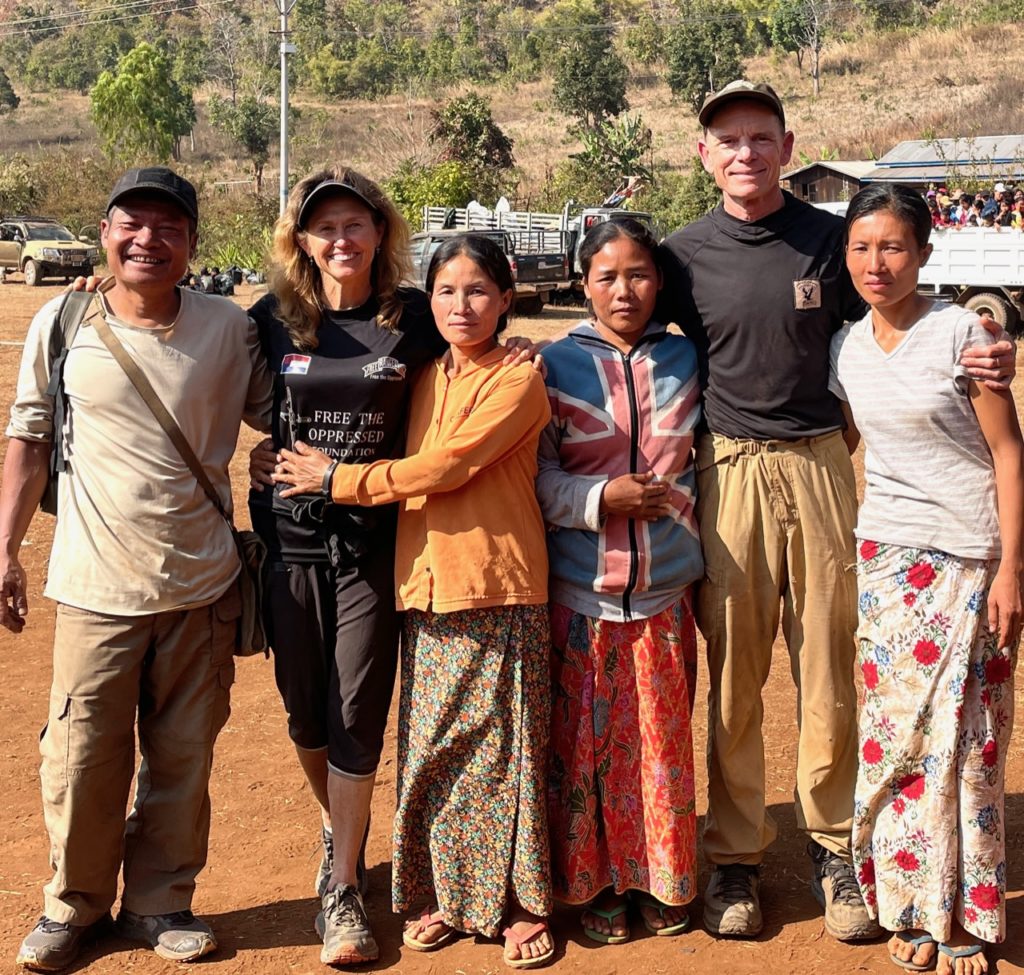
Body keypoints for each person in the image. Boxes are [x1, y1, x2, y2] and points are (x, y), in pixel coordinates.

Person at [657, 79, 1016, 942]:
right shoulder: (682, 253)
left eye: (760, 136)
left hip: (822, 464)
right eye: (727, 139)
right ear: (704, 154)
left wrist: (992, 314)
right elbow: (617, 311)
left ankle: (832, 845)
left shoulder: (835, 241)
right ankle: (735, 855)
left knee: (828, 663)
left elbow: (910, 313)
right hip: (729, 470)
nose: (744, 152)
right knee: (735, 671)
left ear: (787, 144)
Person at [0, 166, 273, 971]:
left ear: (192, 243)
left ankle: (161, 900)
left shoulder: (230, 327)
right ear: (105, 230)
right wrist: (5, 549)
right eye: (132, 223)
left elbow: (288, 398)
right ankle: (73, 903)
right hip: (92, 588)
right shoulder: (62, 319)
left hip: (202, 586)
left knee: (184, 752)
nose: (148, 239)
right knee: (82, 754)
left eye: (169, 227)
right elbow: (28, 440)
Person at [272, 234, 555, 969]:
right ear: (430, 298)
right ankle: (442, 891)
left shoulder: (517, 379)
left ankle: (520, 899)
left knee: (502, 751)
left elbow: (452, 464)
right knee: (431, 752)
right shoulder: (424, 372)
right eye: (448, 291)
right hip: (421, 582)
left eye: (479, 291)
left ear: (507, 296)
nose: (462, 305)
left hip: (495, 581)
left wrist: (338, 479)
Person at [246, 167, 448, 966]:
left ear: (380, 232)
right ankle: (342, 827)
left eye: (354, 225)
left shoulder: (414, 319)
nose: (341, 239)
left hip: (373, 546)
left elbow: (472, 363)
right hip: (291, 544)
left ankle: (343, 885)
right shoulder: (269, 320)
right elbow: (190, 358)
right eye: (323, 227)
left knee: (356, 708)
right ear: (301, 240)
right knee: (304, 712)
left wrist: (521, 363)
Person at [831, 183, 1023, 975]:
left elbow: (1010, 454)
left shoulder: (962, 336)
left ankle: (967, 915)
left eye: (894, 247)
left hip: (972, 560)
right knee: (898, 741)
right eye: (861, 248)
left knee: (968, 744)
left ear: (925, 253)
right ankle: (910, 903)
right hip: (887, 563)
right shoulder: (844, 347)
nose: (877, 264)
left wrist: (1013, 566)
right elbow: (853, 440)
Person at [536, 218, 703, 943]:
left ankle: (661, 878)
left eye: (638, 273)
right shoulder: (549, 365)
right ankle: (598, 883)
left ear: (659, 280)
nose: (624, 289)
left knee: (660, 745)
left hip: (667, 591)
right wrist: (601, 500)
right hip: (581, 594)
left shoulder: (689, 357)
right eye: (606, 276)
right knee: (587, 749)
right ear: (583, 283)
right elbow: (536, 479)